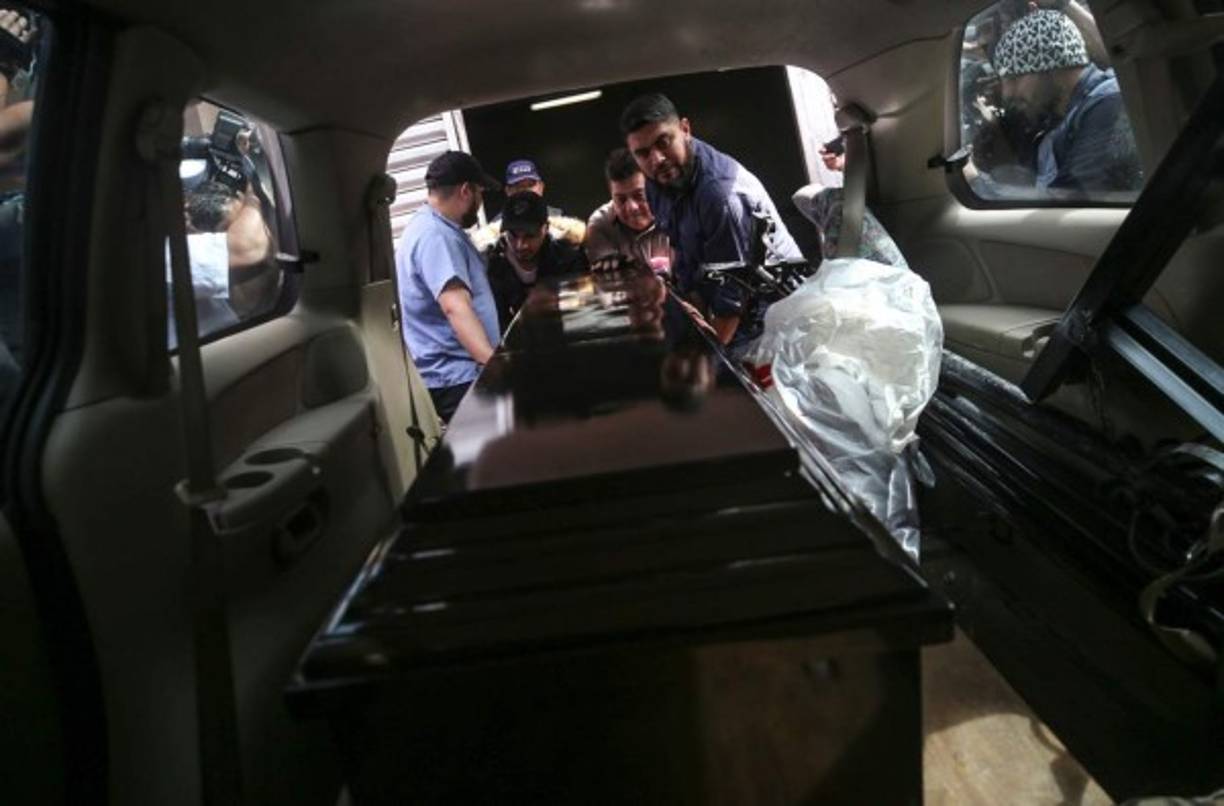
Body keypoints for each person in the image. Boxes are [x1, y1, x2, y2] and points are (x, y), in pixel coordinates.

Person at [620, 92, 804, 351]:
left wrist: (704, 361)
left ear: (685, 129)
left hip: (774, 312)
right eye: (642, 153)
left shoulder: (720, 197)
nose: (656, 159)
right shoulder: (656, 181)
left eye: (664, 142)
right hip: (723, 297)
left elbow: (731, 303)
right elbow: (681, 251)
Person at [395, 150, 501, 422]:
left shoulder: (431, 226)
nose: (480, 202)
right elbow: (456, 307)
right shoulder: (436, 236)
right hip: (460, 378)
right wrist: (495, 365)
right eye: (480, 193)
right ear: (466, 190)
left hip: (457, 375)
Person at [992, 8, 1141, 194]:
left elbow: (1072, 200)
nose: (1007, 94)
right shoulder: (1057, 116)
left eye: (1014, 78)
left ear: (1053, 66)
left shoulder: (1108, 104)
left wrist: (977, 185)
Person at [485, 190, 586, 332]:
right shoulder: (493, 263)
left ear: (546, 228)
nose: (521, 245)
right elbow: (498, 322)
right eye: (513, 236)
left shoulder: (568, 256)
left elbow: (579, 313)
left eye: (529, 236)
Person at [470, 157, 584, 251]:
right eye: (518, 186)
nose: (525, 190)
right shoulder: (496, 228)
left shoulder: (561, 217)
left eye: (530, 185)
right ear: (508, 191)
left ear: (541, 187)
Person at [584, 146, 668, 272]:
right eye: (621, 199)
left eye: (639, 195)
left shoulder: (680, 212)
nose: (632, 207)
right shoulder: (600, 226)